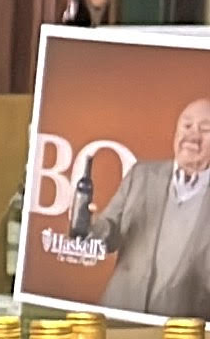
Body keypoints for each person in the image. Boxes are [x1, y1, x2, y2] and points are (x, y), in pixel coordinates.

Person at [76, 94, 210, 319]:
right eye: (187, 126)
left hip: (182, 329)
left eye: (205, 129)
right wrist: (88, 226)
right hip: (118, 315)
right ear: (176, 132)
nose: (193, 136)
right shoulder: (142, 175)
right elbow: (109, 232)